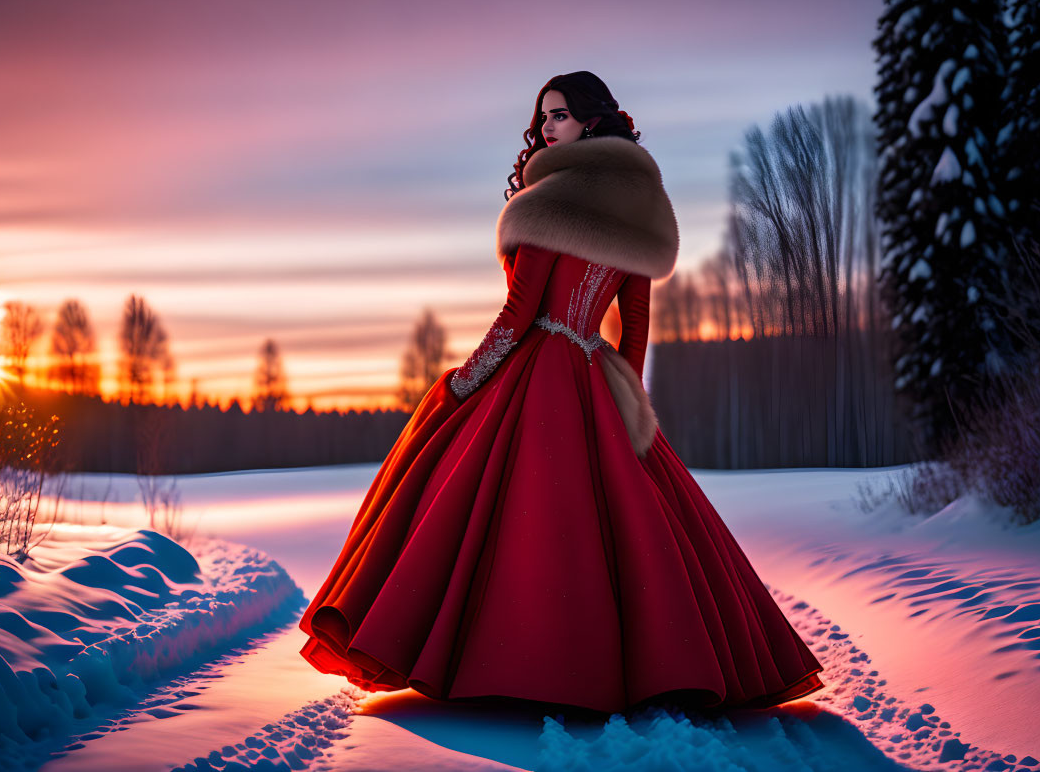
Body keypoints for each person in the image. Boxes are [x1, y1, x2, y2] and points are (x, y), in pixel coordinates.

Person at [298, 71, 825, 714]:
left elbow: (519, 313)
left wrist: (465, 380)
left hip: (538, 364)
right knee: (628, 525)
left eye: (560, 115)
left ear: (591, 122)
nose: (546, 127)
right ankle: (646, 666)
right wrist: (626, 400)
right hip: (594, 370)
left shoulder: (553, 199)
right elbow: (636, 324)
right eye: (543, 116)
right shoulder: (639, 204)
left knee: (491, 510)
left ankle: (516, 662)